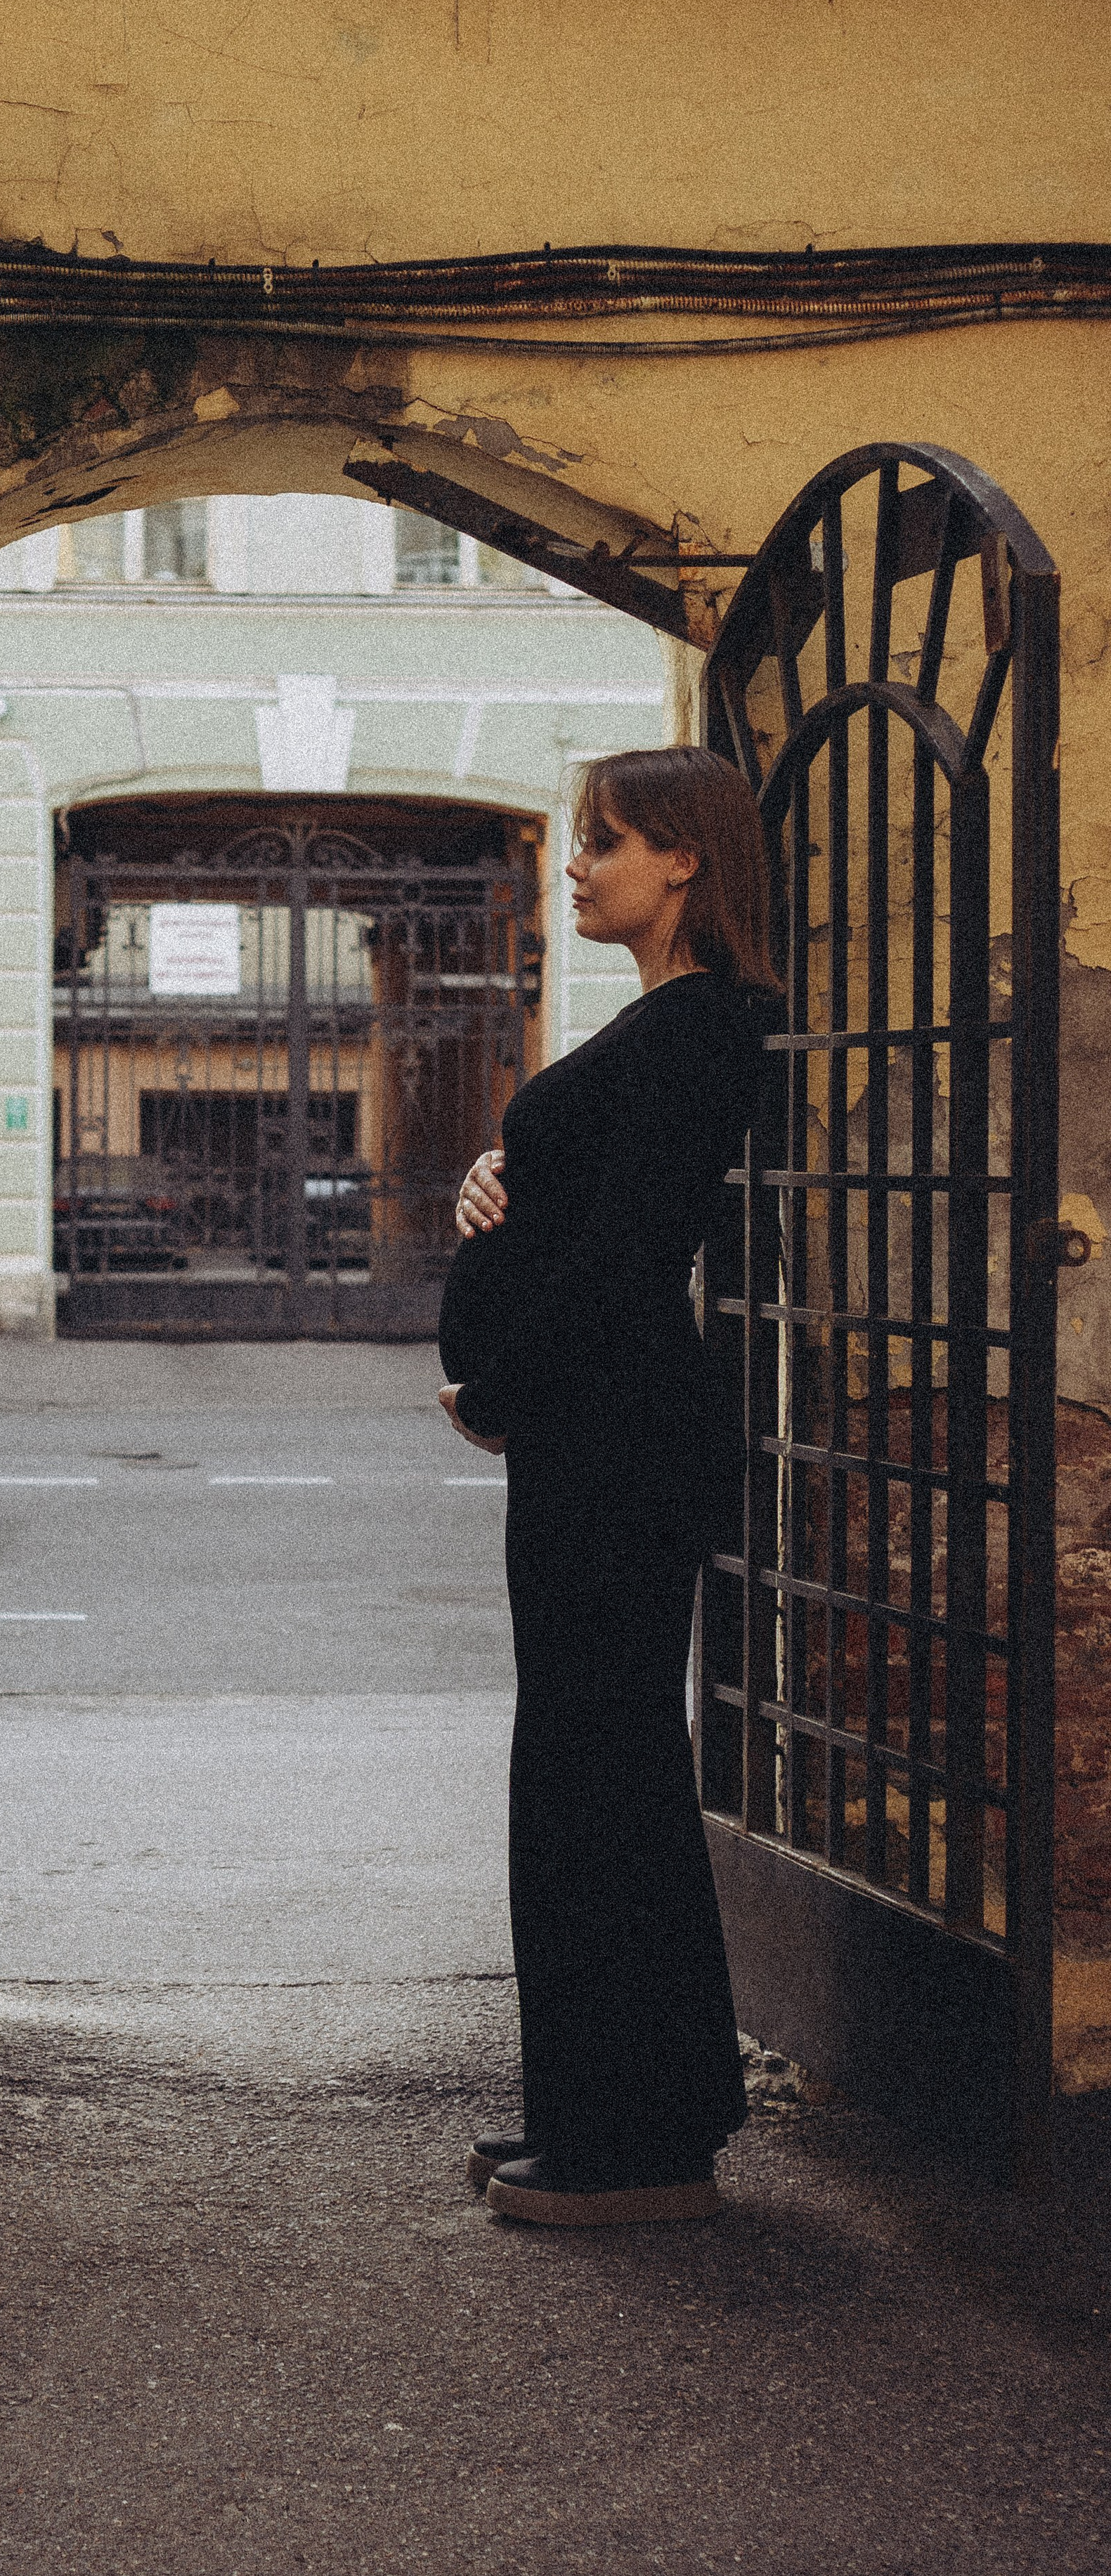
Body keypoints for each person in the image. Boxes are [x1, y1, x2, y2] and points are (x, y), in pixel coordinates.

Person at [438, 745, 781, 2228]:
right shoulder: (665, 1023)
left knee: (595, 1773)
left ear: (683, 862)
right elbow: (580, 1206)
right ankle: (621, 2110)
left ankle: (632, 2140)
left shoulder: (704, 1027)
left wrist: (495, 1385)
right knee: (589, 1767)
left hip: (611, 1441)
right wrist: (493, 1175)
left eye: (603, 842)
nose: (575, 867)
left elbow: (628, 1253)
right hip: (595, 1438)